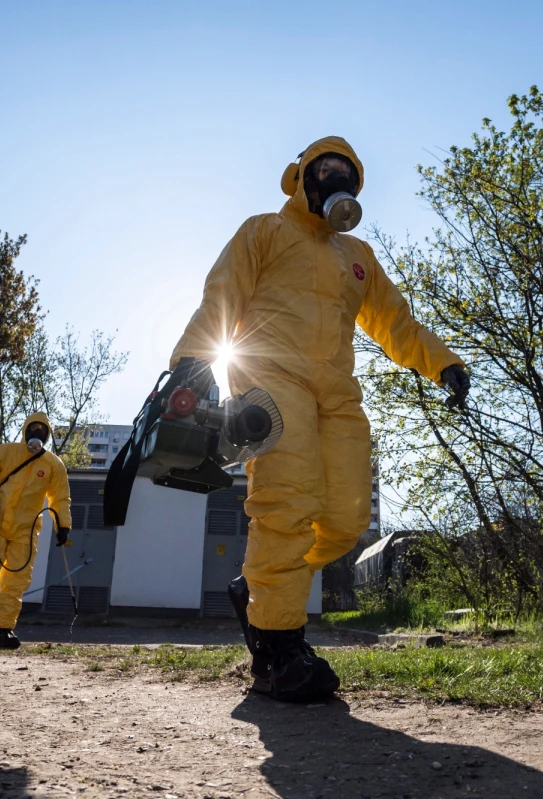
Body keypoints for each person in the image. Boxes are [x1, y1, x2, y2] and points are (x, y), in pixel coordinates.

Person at [170, 136, 470, 702]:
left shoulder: (358, 258)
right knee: (288, 504)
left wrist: (444, 363)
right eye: (327, 170)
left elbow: (398, 326)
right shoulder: (264, 230)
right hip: (268, 377)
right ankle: (277, 647)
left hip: (336, 392)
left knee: (347, 516)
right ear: (302, 177)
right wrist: (192, 361)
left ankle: (257, 588)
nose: (338, 181)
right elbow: (222, 295)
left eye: (349, 175)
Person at [0, 412, 73, 649]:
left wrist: (63, 524)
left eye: (43, 429)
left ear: (47, 434)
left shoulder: (53, 464)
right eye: (34, 427)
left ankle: (3, 629)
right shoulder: (5, 452)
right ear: (26, 430)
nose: (38, 432)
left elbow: (60, 497)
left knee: (16, 580)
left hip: (27, 529)